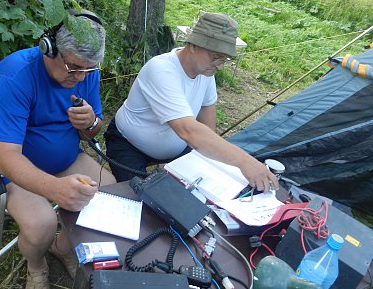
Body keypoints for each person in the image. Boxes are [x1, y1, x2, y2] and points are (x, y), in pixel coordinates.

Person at [0, 10, 116, 289]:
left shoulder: (87, 72)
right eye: (73, 67)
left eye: (88, 71)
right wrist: (55, 189)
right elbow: (7, 157)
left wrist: (90, 121)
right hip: (8, 163)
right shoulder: (16, 75)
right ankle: (36, 267)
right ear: (48, 47)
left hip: (64, 157)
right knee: (40, 224)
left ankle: (63, 248)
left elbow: (94, 130)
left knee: (113, 194)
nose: (79, 78)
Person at [105, 12, 278, 192]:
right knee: (141, 199)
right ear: (193, 45)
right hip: (128, 143)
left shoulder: (205, 74)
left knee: (201, 191)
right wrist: (244, 161)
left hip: (178, 148)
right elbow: (188, 130)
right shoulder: (161, 69)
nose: (219, 66)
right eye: (215, 56)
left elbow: (207, 128)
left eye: (224, 59)